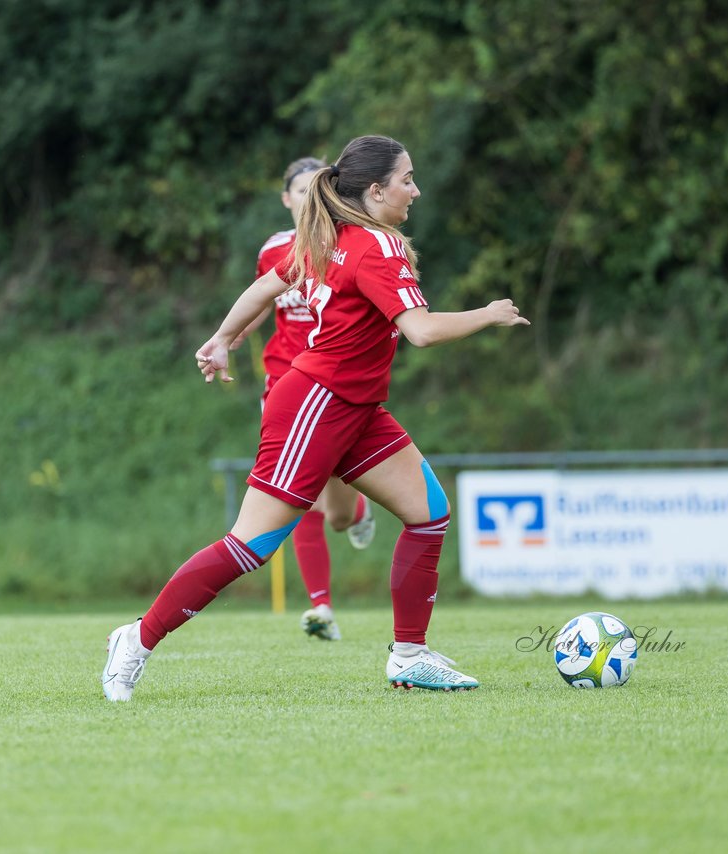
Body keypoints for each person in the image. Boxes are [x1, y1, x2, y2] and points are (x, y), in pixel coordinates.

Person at [102, 134, 529, 701]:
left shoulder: (334, 236)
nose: (415, 190)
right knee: (248, 547)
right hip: (316, 405)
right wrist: (489, 313)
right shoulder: (375, 246)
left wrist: (223, 339)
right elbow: (421, 331)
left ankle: (410, 656)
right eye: (407, 179)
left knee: (429, 514)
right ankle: (135, 640)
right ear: (376, 191)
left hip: (354, 406)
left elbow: (266, 284)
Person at [232, 155, 378, 642]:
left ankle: (357, 512)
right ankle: (321, 608)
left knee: (336, 513)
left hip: (335, 385)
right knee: (302, 499)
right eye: (300, 189)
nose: (308, 196)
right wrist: (230, 337)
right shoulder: (275, 249)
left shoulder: (346, 246)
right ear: (287, 199)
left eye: (318, 186)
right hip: (285, 385)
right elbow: (261, 297)